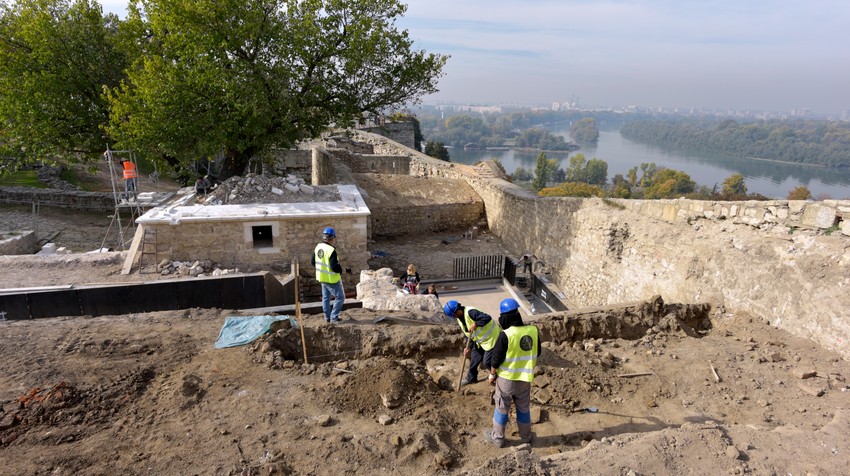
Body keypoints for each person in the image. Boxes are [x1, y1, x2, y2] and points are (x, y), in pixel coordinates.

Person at [484, 298, 541, 448]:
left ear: (505, 317)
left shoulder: (506, 335)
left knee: (502, 408)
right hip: (524, 378)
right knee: (523, 408)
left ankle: (497, 438)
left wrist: (491, 375)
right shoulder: (533, 331)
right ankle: (526, 437)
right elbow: (538, 352)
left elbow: (495, 359)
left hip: (506, 380)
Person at [443, 300, 501, 386]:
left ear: (458, 311)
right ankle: (471, 378)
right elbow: (468, 334)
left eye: (454, 315)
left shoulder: (471, 312)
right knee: (474, 359)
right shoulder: (460, 319)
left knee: (487, 362)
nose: (454, 317)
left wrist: (476, 324)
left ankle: (499, 376)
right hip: (480, 341)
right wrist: (468, 347)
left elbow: (487, 317)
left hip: (491, 338)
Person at [311, 227, 344, 324]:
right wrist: (340, 269)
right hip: (331, 279)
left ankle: (327, 318)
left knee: (326, 298)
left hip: (321, 277)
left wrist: (322, 270)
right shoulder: (331, 250)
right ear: (332, 238)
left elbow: (313, 262)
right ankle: (334, 318)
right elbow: (334, 267)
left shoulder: (318, 247)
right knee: (340, 297)